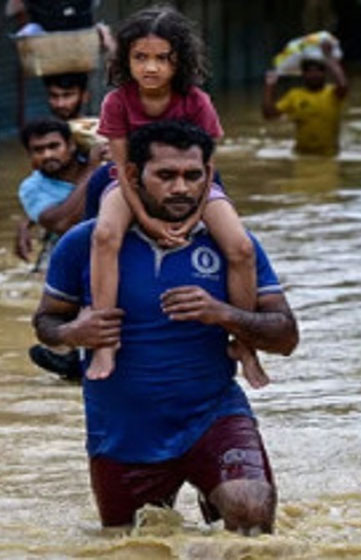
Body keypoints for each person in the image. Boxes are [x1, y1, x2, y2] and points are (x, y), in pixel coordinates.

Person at [32, 120, 299, 532]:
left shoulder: (231, 245)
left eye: (193, 176)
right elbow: (46, 322)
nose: (181, 188)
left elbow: (286, 337)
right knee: (135, 544)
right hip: (122, 435)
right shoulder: (84, 244)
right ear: (134, 177)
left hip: (214, 416)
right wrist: (72, 334)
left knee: (251, 512)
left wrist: (224, 313)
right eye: (166, 176)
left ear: (209, 177)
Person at [90, 6, 267, 387]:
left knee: (241, 248)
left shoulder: (197, 101)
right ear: (126, 60)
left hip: (196, 187)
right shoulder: (117, 102)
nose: (150, 68)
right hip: (130, 186)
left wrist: (191, 218)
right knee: (104, 235)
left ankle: (245, 343)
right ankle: (105, 341)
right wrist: (148, 218)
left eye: (161, 59)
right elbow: (123, 169)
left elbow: (208, 170)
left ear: (178, 62)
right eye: (140, 58)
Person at [14, 118, 102, 381]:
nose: (47, 155)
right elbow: (62, 223)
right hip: (66, 250)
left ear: (72, 146)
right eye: (38, 150)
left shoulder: (102, 164)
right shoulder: (31, 187)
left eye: (54, 146)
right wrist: (94, 172)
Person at [261, 41, 349, 157]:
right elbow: (269, 114)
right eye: (309, 71)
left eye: (318, 70)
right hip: (302, 156)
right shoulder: (294, 95)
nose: (314, 74)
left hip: (329, 156)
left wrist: (329, 58)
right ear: (303, 74)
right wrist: (269, 86)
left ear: (324, 73)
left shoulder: (333, 93)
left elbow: (343, 85)